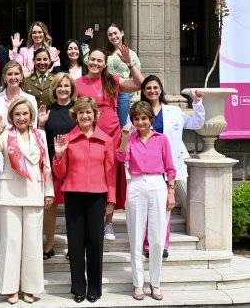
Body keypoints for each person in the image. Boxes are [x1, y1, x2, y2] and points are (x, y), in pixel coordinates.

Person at [0, 97, 54, 304]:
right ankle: (10, 288)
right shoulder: (5, 135)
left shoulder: (40, 135)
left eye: (25, 114)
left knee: (33, 243)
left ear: (31, 115)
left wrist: (49, 191)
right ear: (11, 117)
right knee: (11, 243)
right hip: (10, 194)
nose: (22, 117)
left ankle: (30, 287)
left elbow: (46, 165)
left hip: (35, 192)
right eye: (17, 114)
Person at [75, 47, 144, 240]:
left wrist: (130, 62)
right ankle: (90, 221)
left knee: (110, 177)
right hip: (88, 135)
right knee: (90, 176)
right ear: (87, 61)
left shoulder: (112, 81)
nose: (95, 63)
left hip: (112, 135)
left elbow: (139, 84)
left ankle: (108, 223)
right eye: (93, 60)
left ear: (105, 64)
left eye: (100, 60)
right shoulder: (77, 83)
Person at [53, 97, 115, 304]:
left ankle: (95, 287)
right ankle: (78, 287)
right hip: (73, 194)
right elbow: (60, 172)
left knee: (95, 244)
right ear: (75, 116)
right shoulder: (67, 139)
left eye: (88, 112)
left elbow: (111, 173)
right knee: (76, 244)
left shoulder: (106, 140)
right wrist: (59, 155)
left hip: (97, 196)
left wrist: (111, 200)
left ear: (95, 114)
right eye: (81, 113)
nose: (85, 116)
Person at [117, 101, 176, 301]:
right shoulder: (131, 139)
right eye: (136, 118)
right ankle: (138, 283)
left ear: (151, 119)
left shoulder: (162, 139)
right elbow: (121, 157)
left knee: (157, 238)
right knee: (135, 236)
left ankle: (156, 283)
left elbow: (170, 168)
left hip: (158, 184)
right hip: (136, 185)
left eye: (143, 118)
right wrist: (125, 137)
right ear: (132, 121)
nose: (140, 122)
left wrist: (171, 192)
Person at [140, 75, 205, 258]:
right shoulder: (138, 111)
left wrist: (197, 103)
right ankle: (147, 244)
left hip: (169, 167)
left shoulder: (174, 111)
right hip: (148, 167)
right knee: (148, 208)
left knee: (165, 208)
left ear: (161, 89)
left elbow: (196, 124)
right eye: (148, 88)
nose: (152, 91)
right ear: (143, 91)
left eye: (155, 87)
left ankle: (162, 245)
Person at [0, 61, 37, 261]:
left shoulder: (30, 98)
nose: (13, 77)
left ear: (22, 76)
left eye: (16, 73)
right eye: (9, 74)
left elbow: (33, 128)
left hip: (23, 157)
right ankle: (0, 248)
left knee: (22, 203)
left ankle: (21, 248)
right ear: (3, 77)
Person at [38, 72, 77, 259]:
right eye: (59, 86)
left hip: (73, 163)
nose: (63, 89)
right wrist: (41, 124)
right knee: (49, 205)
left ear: (72, 89)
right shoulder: (48, 111)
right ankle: (50, 244)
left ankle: (74, 245)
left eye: (66, 86)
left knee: (72, 206)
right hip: (52, 160)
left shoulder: (78, 109)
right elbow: (40, 138)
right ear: (54, 89)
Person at [104, 22, 141, 127]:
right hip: (106, 92)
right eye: (110, 35)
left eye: (115, 33)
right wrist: (85, 45)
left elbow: (136, 76)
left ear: (122, 33)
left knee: (122, 125)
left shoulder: (131, 54)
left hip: (122, 94)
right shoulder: (105, 53)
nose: (113, 37)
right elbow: (88, 63)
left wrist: (129, 93)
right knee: (107, 124)